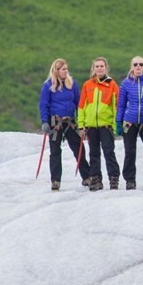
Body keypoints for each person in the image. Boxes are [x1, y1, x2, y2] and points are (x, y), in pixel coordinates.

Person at [39, 58, 91, 191]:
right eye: (63, 69)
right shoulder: (48, 85)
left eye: (67, 69)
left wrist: (81, 121)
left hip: (70, 122)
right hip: (55, 123)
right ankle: (55, 180)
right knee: (55, 151)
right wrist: (44, 121)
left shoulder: (72, 84)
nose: (66, 71)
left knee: (79, 148)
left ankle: (86, 177)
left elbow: (79, 103)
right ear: (56, 71)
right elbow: (44, 105)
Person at [116, 56, 143, 190]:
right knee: (130, 151)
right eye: (135, 64)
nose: (138, 66)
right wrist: (118, 122)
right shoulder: (125, 83)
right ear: (132, 66)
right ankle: (130, 180)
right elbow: (121, 104)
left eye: (141, 64)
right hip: (129, 121)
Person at [78, 57, 121, 191]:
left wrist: (115, 125)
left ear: (106, 68)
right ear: (93, 69)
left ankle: (113, 178)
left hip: (106, 124)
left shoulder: (112, 84)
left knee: (109, 151)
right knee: (93, 153)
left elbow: (116, 106)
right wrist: (81, 124)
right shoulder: (87, 85)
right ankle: (96, 179)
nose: (99, 68)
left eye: (101, 66)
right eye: (97, 66)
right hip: (91, 125)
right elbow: (81, 106)